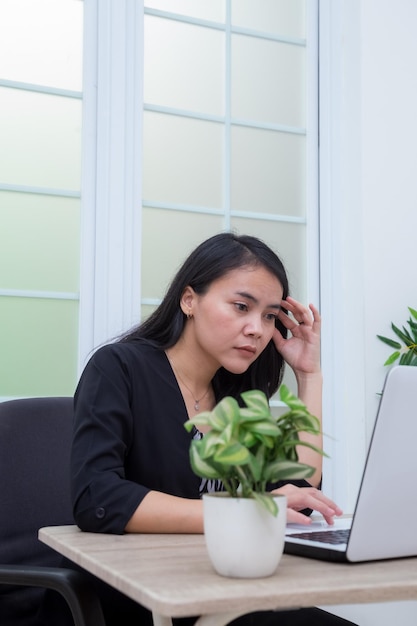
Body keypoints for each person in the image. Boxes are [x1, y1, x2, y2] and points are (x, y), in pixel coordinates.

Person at [67, 233, 356, 626]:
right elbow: (97, 498)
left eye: (270, 316)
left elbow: (298, 487)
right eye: (241, 306)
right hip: (138, 594)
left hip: (218, 586)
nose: (257, 328)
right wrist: (242, 513)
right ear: (190, 300)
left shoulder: (237, 394)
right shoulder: (119, 367)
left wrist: (309, 374)